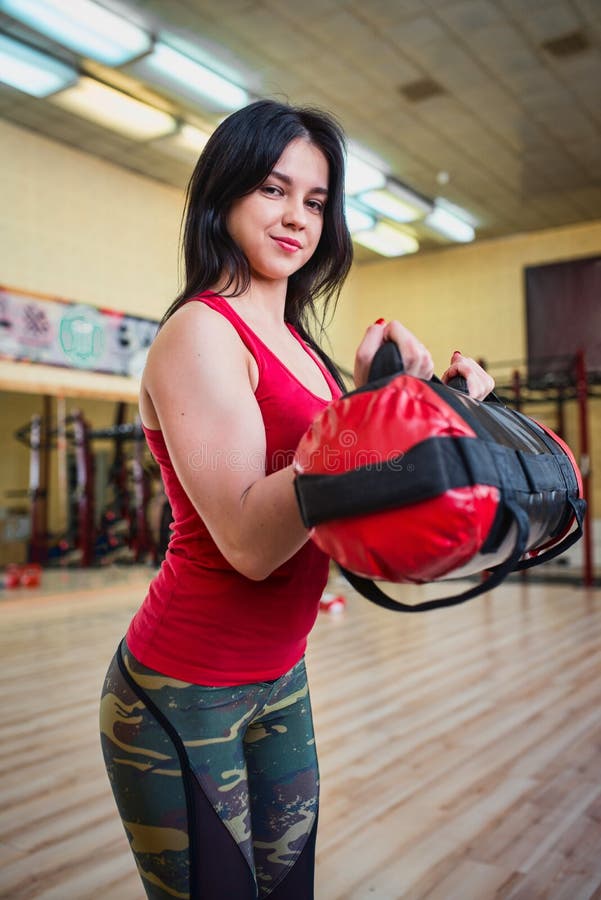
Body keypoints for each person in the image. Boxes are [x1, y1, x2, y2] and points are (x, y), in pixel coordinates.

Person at [99, 98, 494, 900]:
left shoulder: (306, 348)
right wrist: (370, 425)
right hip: (184, 688)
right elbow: (250, 538)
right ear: (225, 192)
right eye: (273, 191)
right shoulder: (199, 333)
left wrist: (429, 410)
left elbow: (341, 501)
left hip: (282, 676)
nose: (296, 218)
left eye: (315, 202)